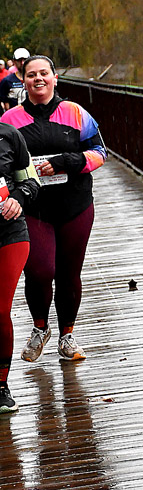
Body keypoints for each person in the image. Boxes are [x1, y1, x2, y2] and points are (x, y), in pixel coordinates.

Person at [0, 55, 107, 362]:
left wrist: (68, 161)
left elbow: (100, 152)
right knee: (40, 270)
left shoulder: (75, 112)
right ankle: (40, 328)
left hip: (75, 204)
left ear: (54, 77)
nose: (38, 78)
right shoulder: (10, 120)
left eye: (44, 73)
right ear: (23, 81)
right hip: (34, 208)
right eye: (31, 74)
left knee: (69, 273)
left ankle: (67, 336)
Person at [0, 120, 40, 412]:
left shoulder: (8, 134)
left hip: (9, 232)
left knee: (0, 310)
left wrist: (18, 197)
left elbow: (31, 181)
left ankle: (1, 385)